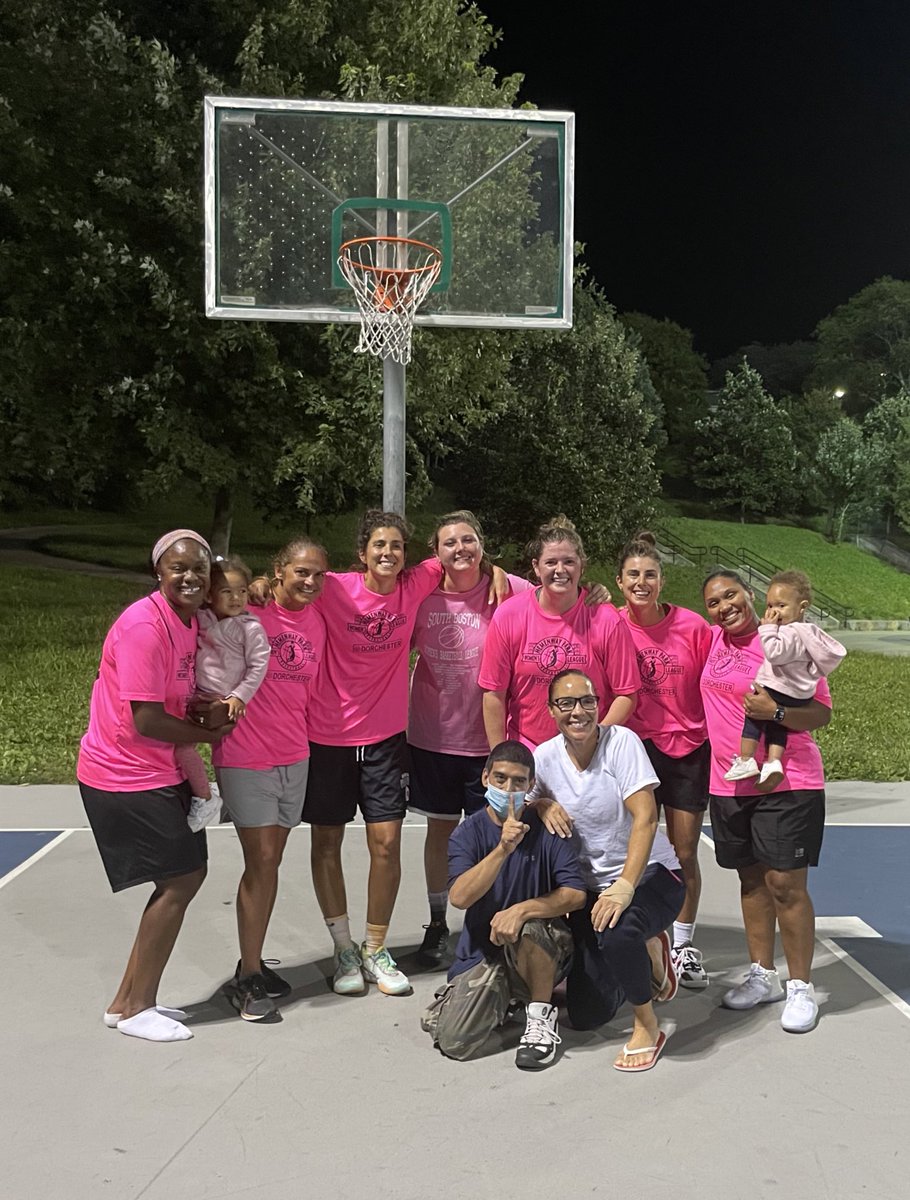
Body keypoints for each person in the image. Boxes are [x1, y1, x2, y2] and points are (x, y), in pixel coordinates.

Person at [302, 510, 506, 999]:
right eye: (379, 545)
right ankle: (343, 948)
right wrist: (267, 587)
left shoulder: (417, 583)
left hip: (386, 739)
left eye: (396, 545)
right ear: (362, 553)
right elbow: (292, 585)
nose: (388, 553)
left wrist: (496, 569)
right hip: (328, 736)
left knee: (386, 845)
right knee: (327, 844)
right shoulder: (334, 588)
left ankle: (375, 947)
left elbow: (467, 559)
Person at [77, 529, 231, 1042]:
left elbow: (171, 698)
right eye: (178, 568)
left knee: (183, 876)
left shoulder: (185, 623)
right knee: (183, 878)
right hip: (123, 774)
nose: (189, 577)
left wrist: (201, 710)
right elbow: (145, 719)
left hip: (156, 769)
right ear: (157, 574)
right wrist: (207, 734)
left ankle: (126, 1002)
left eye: (199, 569)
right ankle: (139, 1006)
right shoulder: (144, 626)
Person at [531, 669, 686, 1073]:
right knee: (585, 1016)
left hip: (651, 876)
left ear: (599, 705)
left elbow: (646, 819)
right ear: (551, 711)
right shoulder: (544, 758)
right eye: (566, 703)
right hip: (590, 891)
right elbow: (518, 804)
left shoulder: (622, 744)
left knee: (619, 931)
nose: (578, 711)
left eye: (587, 701)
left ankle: (647, 1025)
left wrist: (624, 886)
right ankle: (648, 957)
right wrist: (541, 805)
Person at [700, 570, 833, 1034]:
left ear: (750, 595)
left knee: (784, 885)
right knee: (752, 881)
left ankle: (800, 987)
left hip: (787, 779)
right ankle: (763, 975)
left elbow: (821, 711)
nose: (725, 606)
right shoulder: (712, 641)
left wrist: (774, 713)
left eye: (731, 595)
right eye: (714, 601)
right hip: (729, 782)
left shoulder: (786, 639)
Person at [408, 510, 533, 968]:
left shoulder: (511, 589)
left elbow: (560, 603)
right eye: (449, 543)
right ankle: (439, 923)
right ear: (435, 552)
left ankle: (494, 924)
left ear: (482, 544)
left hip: (491, 742)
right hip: (433, 736)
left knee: (499, 833)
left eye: (468, 539)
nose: (460, 549)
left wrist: (599, 595)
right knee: (440, 832)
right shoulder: (421, 596)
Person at [213, 537, 327, 1020]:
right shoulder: (248, 613)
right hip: (245, 754)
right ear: (277, 571)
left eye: (318, 573)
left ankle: (252, 962)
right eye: (300, 571)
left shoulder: (318, 620)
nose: (309, 580)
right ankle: (247, 979)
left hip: (294, 754)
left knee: (271, 862)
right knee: (260, 860)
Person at [420, 741, 587, 1069]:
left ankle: (540, 1015)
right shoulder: (466, 835)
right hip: (485, 953)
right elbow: (459, 897)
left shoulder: (550, 829)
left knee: (531, 925)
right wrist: (503, 849)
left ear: (530, 786)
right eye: (500, 779)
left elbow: (575, 895)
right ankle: (502, 998)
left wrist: (521, 910)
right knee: (455, 1042)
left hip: (540, 941)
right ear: (485, 779)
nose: (508, 788)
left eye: (519, 782)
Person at [615, 530, 713, 988]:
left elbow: (723, 679)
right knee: (631, 848)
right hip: (636, 749)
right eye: (633, 574)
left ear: (662, 580)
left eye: (649, 574)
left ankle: (685, 941)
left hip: (688, 747)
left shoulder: (693, 627)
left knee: (685, 849)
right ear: (619, 581)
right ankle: (643, 932)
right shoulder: (611, 623)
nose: (642, 581)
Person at [479, 515, 639, 751]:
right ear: (536, 566)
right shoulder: (509, 616)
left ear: (582, 565)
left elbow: (626, 695)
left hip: (588, 754)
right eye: (551, 562)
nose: (560, 570)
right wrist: (500, 755)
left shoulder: (606, 620)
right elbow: (494, 693)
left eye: (569, 562)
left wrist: (592, 741)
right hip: (527, 751)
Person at [724, 570, 846, 791]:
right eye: (770, 606)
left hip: (778, 689)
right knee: (777, 726)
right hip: (795, 694)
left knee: (753, 719)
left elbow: (775, 653)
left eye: (781, 606)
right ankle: (773, 762)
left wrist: (767, 629)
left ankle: (746, 759)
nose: (773, 612)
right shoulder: (809, 635)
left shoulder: (791, 632)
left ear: (802, 607)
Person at [176, 555, 270, 830]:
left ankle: (211, 798)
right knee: (180, 746)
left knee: (223, 753)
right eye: (226, 591)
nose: (236, 598)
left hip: (226, 703)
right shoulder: (200, 617)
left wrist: (239, 696)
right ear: (209, 595)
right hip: (197, 697)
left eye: (242, 591)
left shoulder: (250, 628)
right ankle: (205, 796)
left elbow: (258, 665)